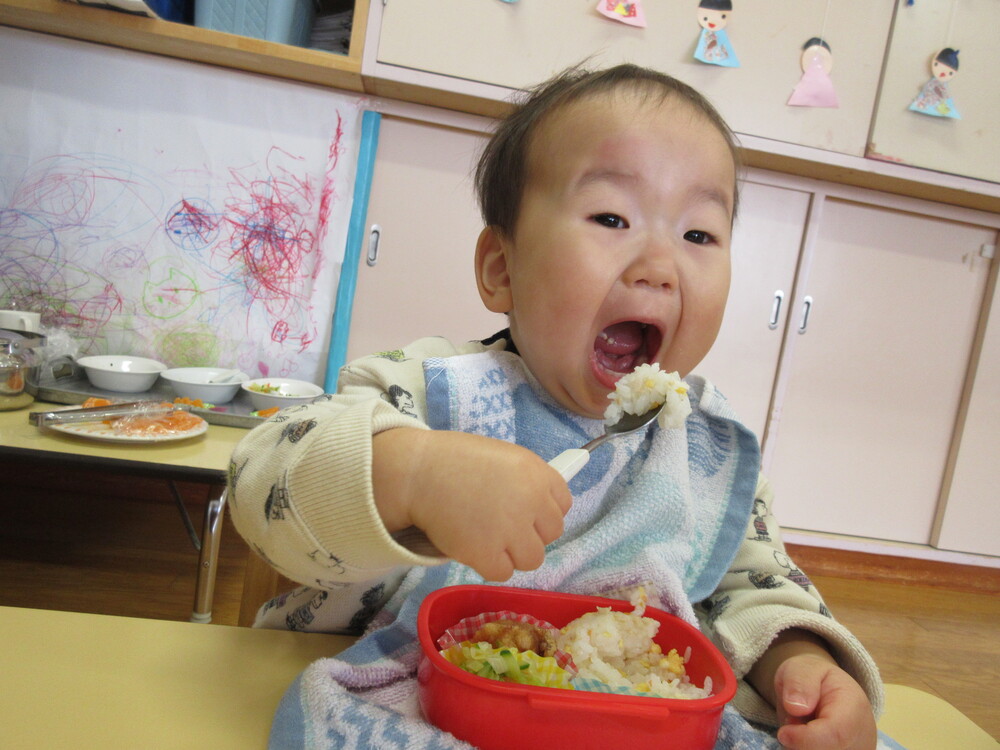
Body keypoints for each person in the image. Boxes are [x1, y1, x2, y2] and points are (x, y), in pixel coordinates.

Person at [228, 64, 885, 749]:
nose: (660, 264)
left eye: (698, 235)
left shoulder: (701, 445)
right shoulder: (429, 394)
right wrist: (411, 475)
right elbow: (261, 483)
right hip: (414, 700)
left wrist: (802, 662)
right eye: (610, 217)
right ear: (501, 269)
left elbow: (755, 584)